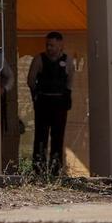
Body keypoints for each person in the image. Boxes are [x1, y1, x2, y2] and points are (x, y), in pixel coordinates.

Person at [28, 31, 72, 176]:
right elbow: (31, 79)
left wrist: (67, 96)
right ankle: (38, 169)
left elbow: (70, 80)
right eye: (47, 45)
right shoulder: (39, 59)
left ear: (60, 45)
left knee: (58, 137)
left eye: (52, 45)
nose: (49, 48)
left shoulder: (67, 60)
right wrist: (36, 94)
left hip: (59, 103)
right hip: (43, 101)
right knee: (41, 136)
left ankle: (55, 170)